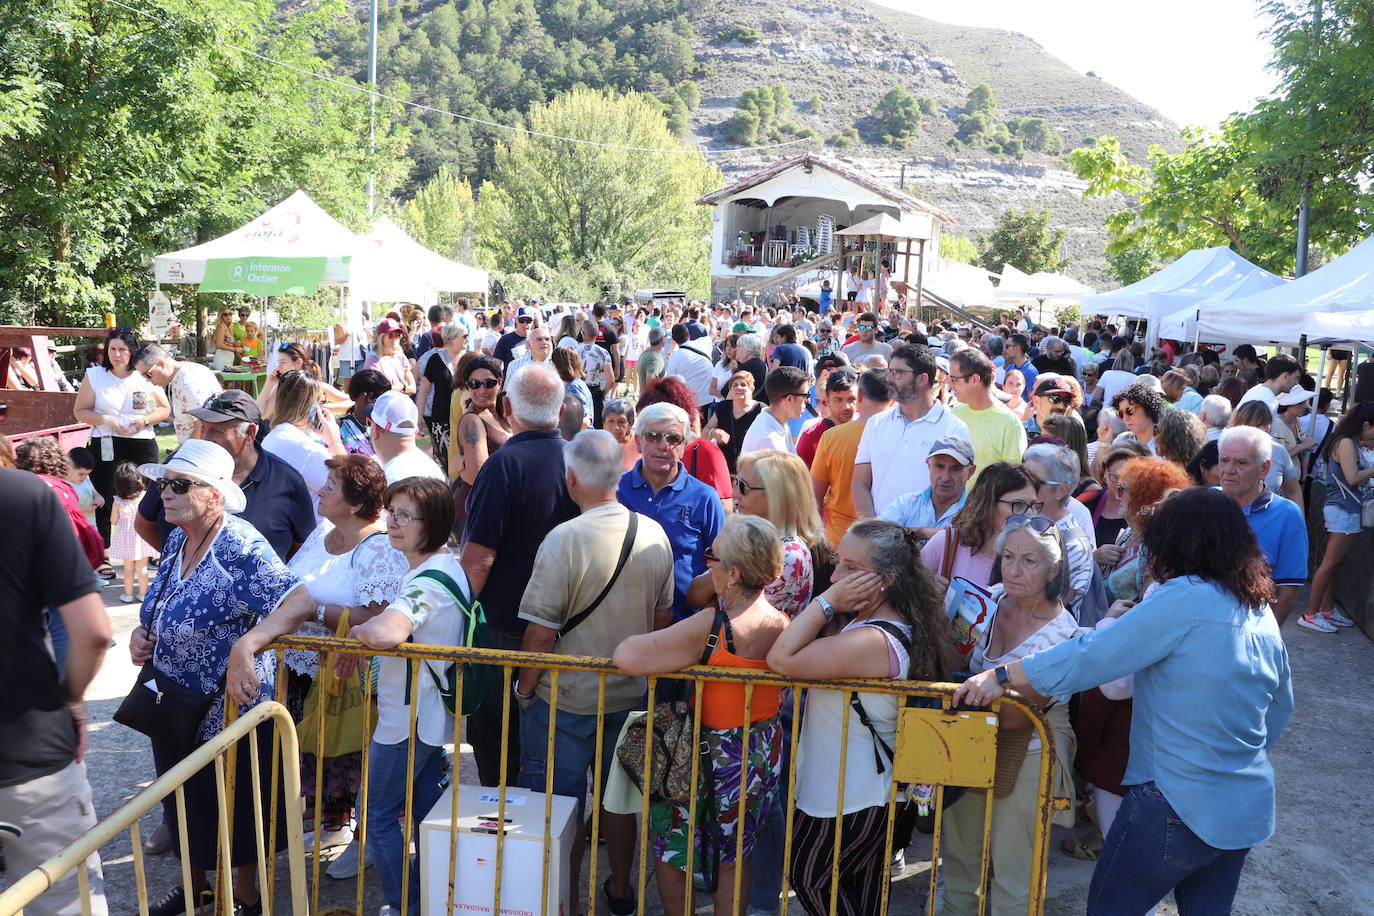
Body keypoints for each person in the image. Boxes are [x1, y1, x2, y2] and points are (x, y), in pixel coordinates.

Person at [956, 488, 1293, 916]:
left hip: (1175, 799)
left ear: (1176, 540)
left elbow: (1093, 654)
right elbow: (1281, 707)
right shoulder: (1257, 607)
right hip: (1245, 806)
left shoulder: (1185, 595)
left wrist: (1003, 674)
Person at [230, 476, 467, 916]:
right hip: (426, 717)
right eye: (391, 513)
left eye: (405, 517)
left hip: (406, 722)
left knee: (378, 820)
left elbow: (385, 628)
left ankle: (407, 905)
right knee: (429, 816)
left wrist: (356, 638)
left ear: (431, 523)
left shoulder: (428, 580)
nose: (393, 523)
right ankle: (445, 895)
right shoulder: (443, 565)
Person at [129, 440, 317, 916]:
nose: (163, 494)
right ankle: (196, 891)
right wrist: (141, 633)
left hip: (230, 708)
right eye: (162, 483)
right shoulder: (178, 536)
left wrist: (248, 644)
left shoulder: (240, 544)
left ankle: (246, 897)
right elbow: (162, 604)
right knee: (181, 800)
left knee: (236, 805)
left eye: (178, 485)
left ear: (214, 495)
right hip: (173, 700)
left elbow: (299, 601)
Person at [514, 430, 674, 912]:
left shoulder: (563, 539)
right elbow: (661, 622)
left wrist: (524, 690)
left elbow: (540, 633)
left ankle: (563, 898)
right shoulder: (653, 533)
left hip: (564, 698)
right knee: (620, 804)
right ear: (620, 475)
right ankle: (620, 891)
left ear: (571, 478)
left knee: (559, 806)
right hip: (629, 697)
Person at [768, 520, 953, 916]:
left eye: (851, 569)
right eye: (838, 565)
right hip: (858, 792)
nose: (835, 577)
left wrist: (826, 601)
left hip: (850, 796)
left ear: (884, 580)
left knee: (809, 877)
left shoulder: (872, 641)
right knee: (861, 892)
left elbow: (781, 659)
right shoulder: (869, 625)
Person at [613, 515, 789, 916]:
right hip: (760, 751)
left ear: (733, 572)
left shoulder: (713, 626)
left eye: (713, 556)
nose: (706, 562)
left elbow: (628, 655)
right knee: (736, 854)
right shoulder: (781, 622)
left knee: (673, 852)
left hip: (708, 755)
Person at [940, 518, 1079, 916]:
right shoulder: (988, 599)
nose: (1014, 570)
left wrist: (969, 686)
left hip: (1027, 755)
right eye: (1009, 557)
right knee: (960, 859)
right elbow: (950, 658)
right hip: (969, 745)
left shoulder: (1062, 634)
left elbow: (1017, 718)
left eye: (1029, 561)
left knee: (1014, 872)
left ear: (1053, 570)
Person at [279, 454, 407, 868]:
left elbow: (379, 617)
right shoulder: (322, 532)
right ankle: (333, 826)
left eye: (330, 486)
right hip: (303, 671)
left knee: (354, 759)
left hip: (348, 680)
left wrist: (310, 612)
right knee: (317, 757)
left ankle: (365, 843)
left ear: (355, 504)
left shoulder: (379, 549)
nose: (319, 490)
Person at [0, 465, 111, 916]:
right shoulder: (25, 494)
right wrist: (72, 701)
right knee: (66, 899)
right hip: (31, 753)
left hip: (30, 754)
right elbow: (93, 632)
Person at [461, 364, 579, 786]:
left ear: (507, 407)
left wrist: (458, 616)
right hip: (568, 627)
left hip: (509, 632)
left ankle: (507, 831)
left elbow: (478, 559)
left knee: (500, 744)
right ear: (562, 408)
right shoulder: (578, 462)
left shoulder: (502, 465)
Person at [134, 390, 316, 563]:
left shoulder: (285, 481)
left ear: (250, 433)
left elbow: (304, 550)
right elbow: (144, 524)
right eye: (203, 428)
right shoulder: (179, 466)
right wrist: (181, 564)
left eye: (218, 431)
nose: (205, 438)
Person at [618, 402, 727, 622]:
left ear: (684, 446)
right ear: (638, 442)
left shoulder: (705, 498)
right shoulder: (616, 490)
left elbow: (722, 564)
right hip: (621, 623)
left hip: (683, 628)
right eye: (653, 436)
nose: (663, 445)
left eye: (673, 439)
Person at [72, 328, 170, 550]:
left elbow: (164, 409)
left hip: (141, 442)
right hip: (106, 440)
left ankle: (150, 549)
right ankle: (103, 551)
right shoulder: (95, 375)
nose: (117, 355)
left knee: (147, 495)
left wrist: (144, 420)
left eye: (122, 350)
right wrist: (104, 419)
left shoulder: (144, 375)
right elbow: (80, 411)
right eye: (112, 349)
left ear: (132, 351)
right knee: (104, 495)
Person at [853, 344, 971, 518]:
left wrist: (923, 535)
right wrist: (873, 529)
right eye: (889, 371)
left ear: (922, 379)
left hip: (926, 540)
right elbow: (860, 482)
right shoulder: (876, 423)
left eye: (898, 373)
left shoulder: (954, 429)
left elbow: (955, 494)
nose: (889, 378)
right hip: (879, 538)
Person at [1217, 425, 1308, 627]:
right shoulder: (1202, 503)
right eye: (1224, 460)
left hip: (1248, 629)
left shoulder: (1287, 515)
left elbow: (1288, 594)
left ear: (1264, 468)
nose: (1229, 470)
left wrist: (1261, 640)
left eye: (1241, 462)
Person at [1301, 402, 1374, 633]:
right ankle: (1311, 614)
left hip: (1344, 508)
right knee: (1330, 563)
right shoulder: (1345, 443)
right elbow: (1352, 478)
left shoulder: (1347, 441)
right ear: (1366, 425)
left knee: (1334, 563)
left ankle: (1326, 609)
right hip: (1343, 509)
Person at [920, 462, 1041, 594]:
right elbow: (904, 592)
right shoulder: (946, 543)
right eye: (1018, 505)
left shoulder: (1035, 559)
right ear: (988, 504)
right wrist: (926, 590)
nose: (1030, 514)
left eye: (1034, 505)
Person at [811, 369, 892, 547]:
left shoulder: (831, 437)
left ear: (860, 395)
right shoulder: (901, 437)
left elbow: (815, 495)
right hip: (886, 539)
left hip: (838, 538)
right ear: (892, 400)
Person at [261, 370, 345, 514]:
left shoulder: (271, 438)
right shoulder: (308, 450)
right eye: (321, 401)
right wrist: (335, 442)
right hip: (317, 530)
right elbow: (350, 490)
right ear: (312, 405)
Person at [449, 356, 511, 536]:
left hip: (496, 506)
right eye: (474, 384)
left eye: (488, 383)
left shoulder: (500, 413)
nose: (482, 390)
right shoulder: (471, 421)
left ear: (499, 383)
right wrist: (461, 469)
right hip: (478, 511)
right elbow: (479, 476)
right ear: (468, 386)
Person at [879, 433, 976, 542]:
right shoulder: (906, 504)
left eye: (956, 468)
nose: (945, 477)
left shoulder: (976, 513)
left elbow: (974, 540)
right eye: (939, 466)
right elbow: (875, 537)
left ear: (971, 472)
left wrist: (923, 533)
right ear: (929, 465)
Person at [949, 348, 1028, 479]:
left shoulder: (1009, 423)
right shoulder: (956, 412)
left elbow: (1015, 477)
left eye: (954, 379)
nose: (950, 384)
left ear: (974, 379)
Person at [134, 343, 223, 445]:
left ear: (161, 364)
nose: (148, 380)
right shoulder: (186, 371)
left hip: (201, 451)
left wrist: (184, 453)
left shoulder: (188, 383)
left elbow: (202, 425)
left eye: (148, 374)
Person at [1228, 400, 1302, 507]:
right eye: (1256, 425)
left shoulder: (1278, 451)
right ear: (1241, 426)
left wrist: (1299, 520)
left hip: (1270, 518)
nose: (1262, 429)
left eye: (1266, 424)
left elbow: (1294, 491)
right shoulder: (1225, 448)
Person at [416, 322, 468, 472]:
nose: (467, 339)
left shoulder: (469, 359)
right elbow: (424, 389)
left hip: (464, 416)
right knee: (443, 459)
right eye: (464, 336)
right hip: (440, 418)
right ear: (451, 338)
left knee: (464, 456)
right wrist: (419, 416)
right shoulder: (435, 359)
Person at [366, 390, 445, 485]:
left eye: (370, 422)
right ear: (415, 431)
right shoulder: (433, 469)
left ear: (375, 430)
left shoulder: (386, 481)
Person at [258, 342, 350, 419]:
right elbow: (259, 415)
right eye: (279, 362)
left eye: (283, 362)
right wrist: (268, 385)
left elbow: (352, 403)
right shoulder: (281, 389)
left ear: (298, 362)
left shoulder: (316, 386)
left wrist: (322, 408)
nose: (278, 367)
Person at [109, 461, 156, 604]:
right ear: (139, 481)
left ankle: (127, 594)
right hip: (141, 536)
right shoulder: (144, 496)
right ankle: (143, 594)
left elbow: (113, 520)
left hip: (125, 538)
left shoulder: (117, 501)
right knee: (142, 567)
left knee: (128, 568)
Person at [705, 369, 765, 474]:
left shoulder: (761, 410)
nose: (739, 387)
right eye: (735, 385)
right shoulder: (723, 407)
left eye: (743, 384)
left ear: (751, 388)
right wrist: (713, 433)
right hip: (724, 469)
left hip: (752, 471)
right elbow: (705, 431)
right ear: (731, 390)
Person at [740, 367, 810, 456]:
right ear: (789, 399)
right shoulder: (770, 441)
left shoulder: (776, 422)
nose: (808, 400)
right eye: (805, 395)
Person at [338, 368, 391, 457]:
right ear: (355, 395)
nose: (378, 402)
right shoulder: (339, 429)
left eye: (384, 397)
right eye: (373, 395)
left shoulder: (390, 426)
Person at [1237, 353, 1301, 424]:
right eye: (1296, 378)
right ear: (1285, 376)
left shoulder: (1257, 391)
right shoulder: (1267, 401)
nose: (1296, 383)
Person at [664, 323, 716, 408]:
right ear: (688, 334)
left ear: (674, 339)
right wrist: (711, 321)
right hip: (711, 398)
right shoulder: (702, 343)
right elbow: (713, 334)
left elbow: (671, 384)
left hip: (692, 403)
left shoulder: (674, 357)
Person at [365, 319, 418, 394]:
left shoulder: (401, 357)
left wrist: (399, 387)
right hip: (383, 404)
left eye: (398, 335)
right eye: (390, 335)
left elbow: (413, 388)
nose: (395, 338)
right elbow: (376, 391)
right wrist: (402, 386)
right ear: (382, 337)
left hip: (400, 402)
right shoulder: (372, 359)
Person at [576, 319, 614, 426]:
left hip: (577, 391)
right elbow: (611, 380)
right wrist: (603, 393)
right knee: (595, 427)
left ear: (583, 333)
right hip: (595, 391)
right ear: (597, 334)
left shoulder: (574, 350)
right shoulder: (603, 353)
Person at [1111, 380, 1163, 454]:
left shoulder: (1166, 444)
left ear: (1147, 407)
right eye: (1121, 414)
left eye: (1130, 411)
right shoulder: (1121, 440)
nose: (1126, 418)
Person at [552, 346, 593, 428]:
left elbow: (585, 422)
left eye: (552, 362)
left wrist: (571, 439)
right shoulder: (574, 385)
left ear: (557, 365)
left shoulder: (573, 388)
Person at [603, 397, 641, 472]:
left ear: (631, 423)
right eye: (611, 421)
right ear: (604, 424)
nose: (616, 427)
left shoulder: (640, 444)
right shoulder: (595, 443)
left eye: (621, 422)